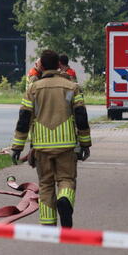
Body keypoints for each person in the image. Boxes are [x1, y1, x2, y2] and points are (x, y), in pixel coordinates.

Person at [11, 49, 91, 228]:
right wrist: (85, 143)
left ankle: (48, 225)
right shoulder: (72, 87)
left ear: (42, 67)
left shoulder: (33, 88)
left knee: (46, 185)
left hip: (42, 146)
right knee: (67, 180)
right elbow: (81, 117)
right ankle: (64, 200)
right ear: (58, 65)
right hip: (67, 145)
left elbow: (24, 119)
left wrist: (17, 147)